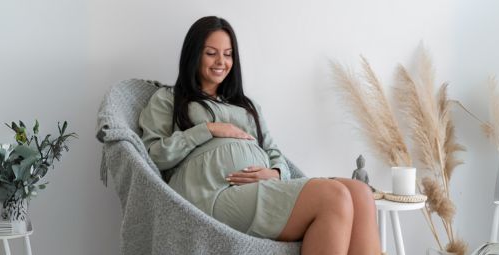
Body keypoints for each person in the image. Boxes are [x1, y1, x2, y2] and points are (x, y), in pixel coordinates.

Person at [139, 16, 380, 255]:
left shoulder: (247, 106)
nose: (221, 61)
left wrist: (275, 173)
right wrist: (208, 129)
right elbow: (154, 156)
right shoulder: (169, 99)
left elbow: (274, 153)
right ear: (194, 55)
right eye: (211, 53)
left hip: (258, 190)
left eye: (228, 54)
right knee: (332, 196)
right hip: (210, 194)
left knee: (359, 193)